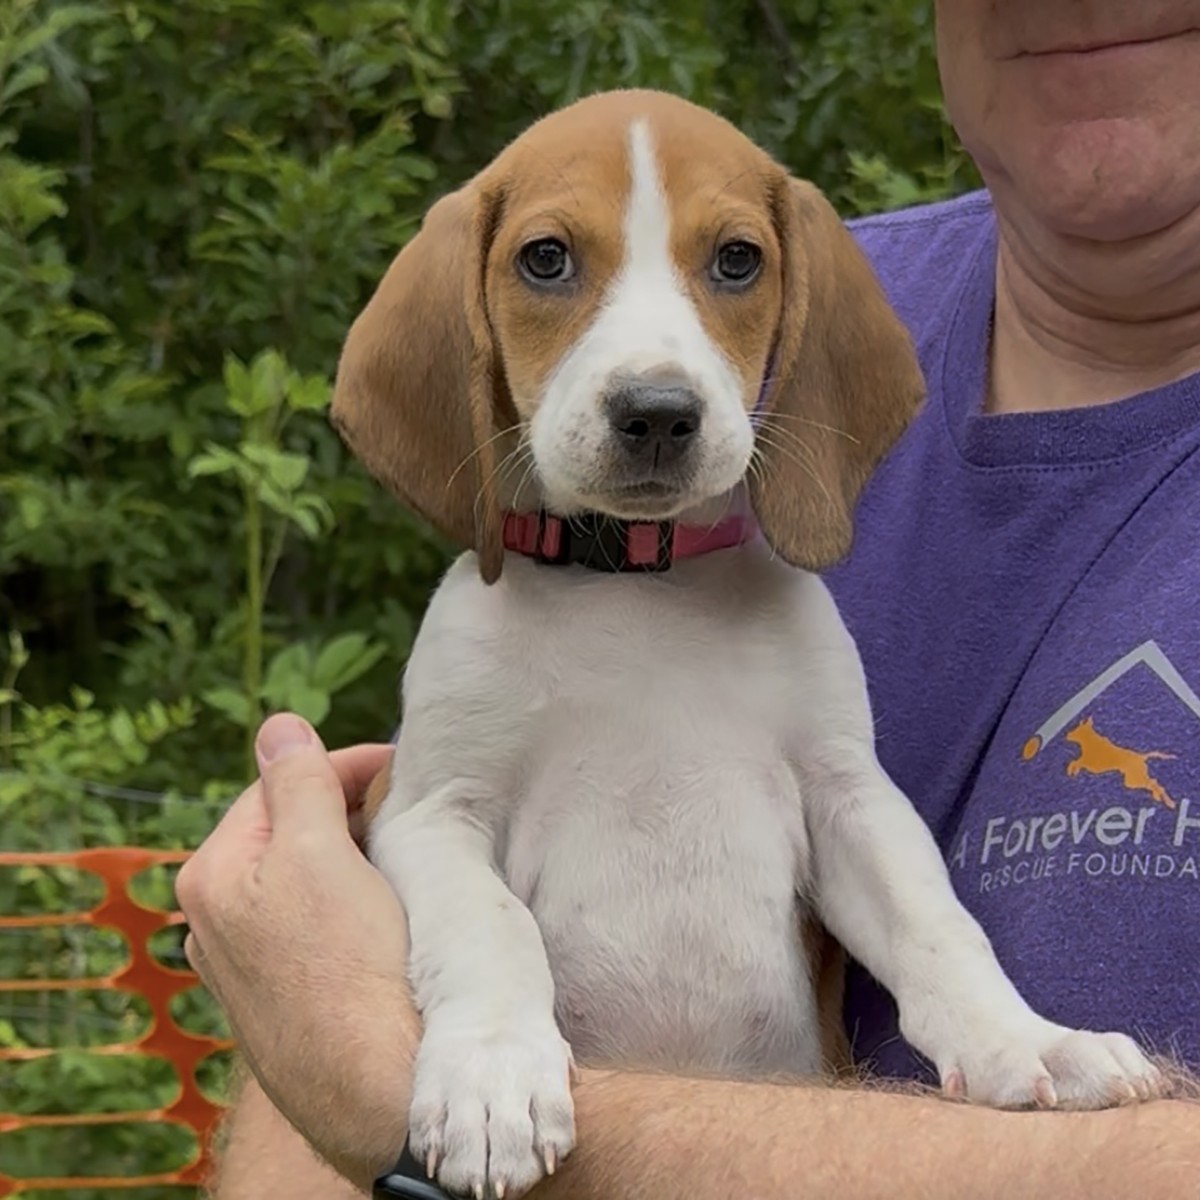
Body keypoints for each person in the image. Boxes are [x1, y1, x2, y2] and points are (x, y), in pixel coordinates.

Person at [177, 1, 1200, 1195]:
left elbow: (849, 813)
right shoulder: (486, 632)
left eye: (732, 265)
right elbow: (425, 830)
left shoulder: (783, 593)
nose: (654, 383)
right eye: (548, 263)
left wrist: (985, 1023)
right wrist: (479, 1010)